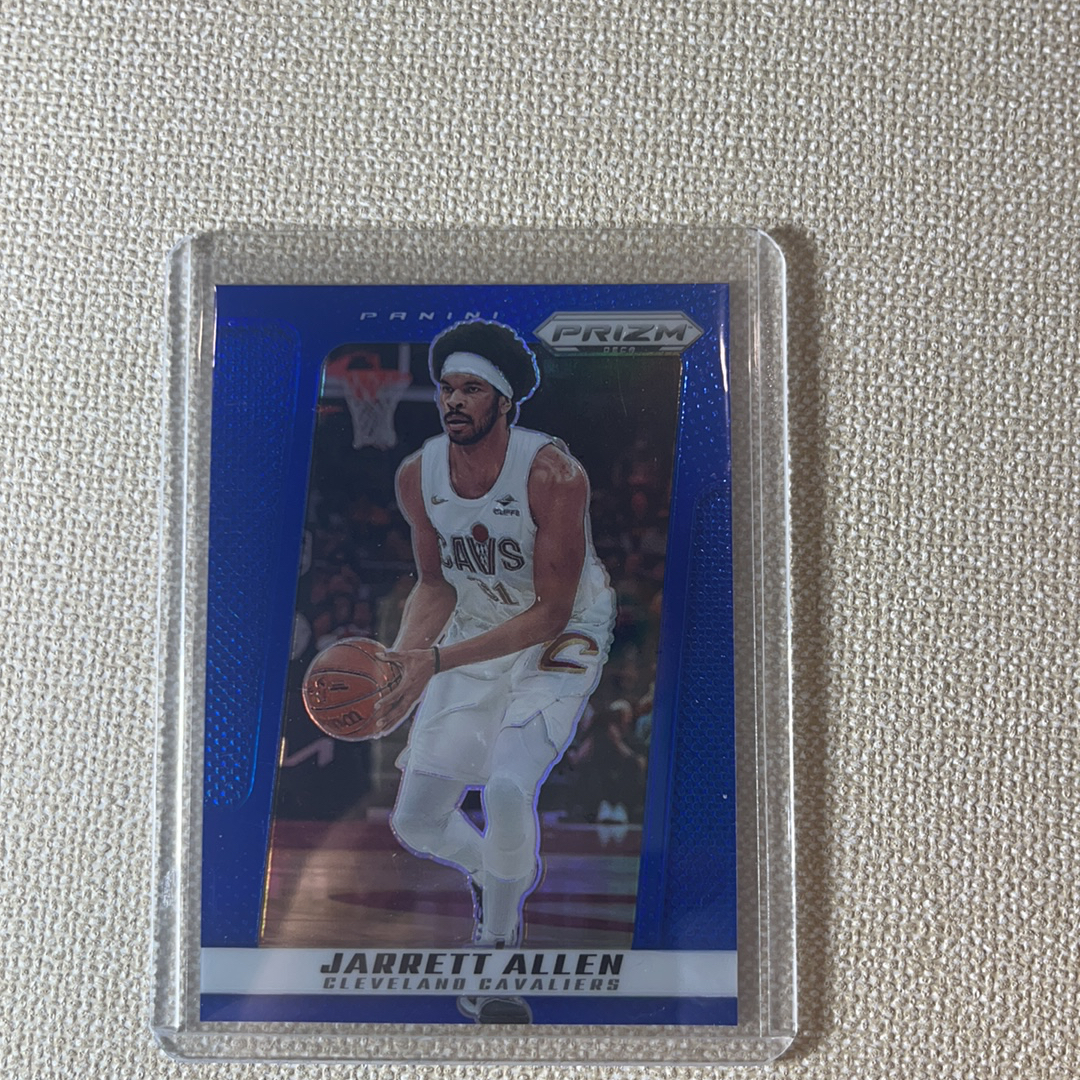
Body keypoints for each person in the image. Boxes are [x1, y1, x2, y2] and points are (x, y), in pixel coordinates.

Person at [371, 320, 615, 1024]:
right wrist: (403, 662)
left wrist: (435, 661)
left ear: (505, 401)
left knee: (508, 784)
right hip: (477, 628)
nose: (454, 400)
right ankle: (494, 873)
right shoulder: (418, 476)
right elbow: (435, 585)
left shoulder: (554, 475)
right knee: (416, 822)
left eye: (471, 389)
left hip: (563, 631)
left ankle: (497, 961)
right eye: (447, 388)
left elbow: (549, 611)